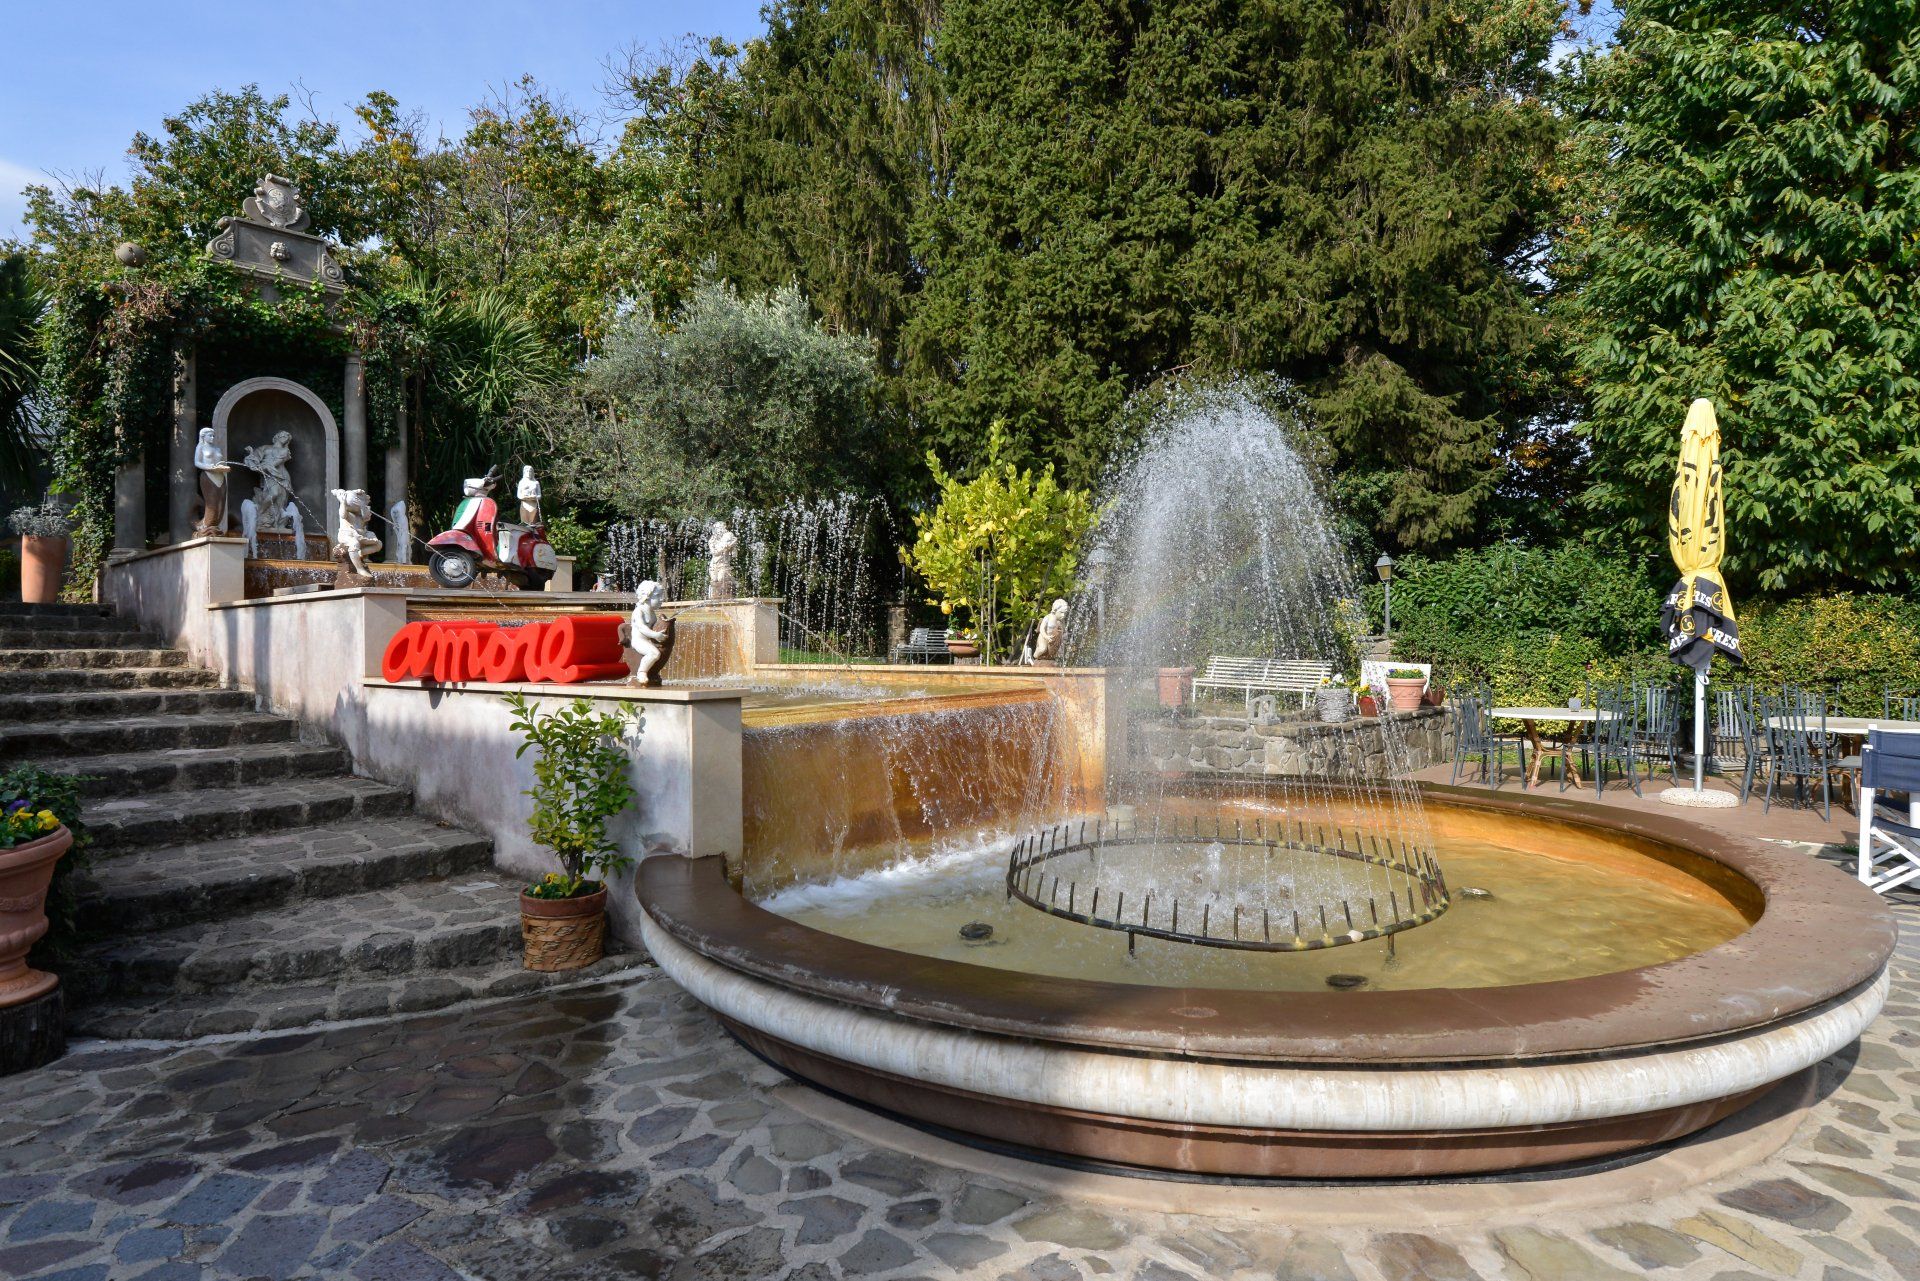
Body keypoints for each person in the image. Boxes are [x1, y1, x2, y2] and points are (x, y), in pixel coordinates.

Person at [193, 428, 230, 534]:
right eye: (210, 435)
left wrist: (224, 467)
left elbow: (220, 462)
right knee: (212, 503)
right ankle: (206, 526)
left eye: (213, 436)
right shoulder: (200, 447)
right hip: (208, 476)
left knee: (221, 504)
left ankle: (212, 526)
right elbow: (197, 462)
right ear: (203, 436)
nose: (212, 438)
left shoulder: (217, 448)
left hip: (220, 477)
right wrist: (210, 467)